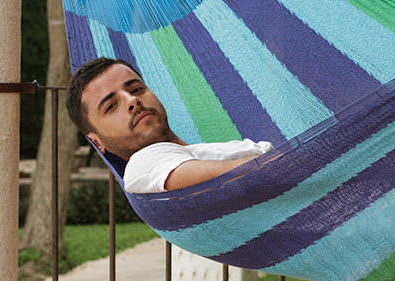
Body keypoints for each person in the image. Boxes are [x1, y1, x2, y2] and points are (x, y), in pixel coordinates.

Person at [66, 57, 271, 193]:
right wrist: (297, 159)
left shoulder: (189, 153)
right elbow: (251, 173)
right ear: (97, 142)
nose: (132, 101)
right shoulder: (141, 165)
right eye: (111, 106)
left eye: (136, 89)